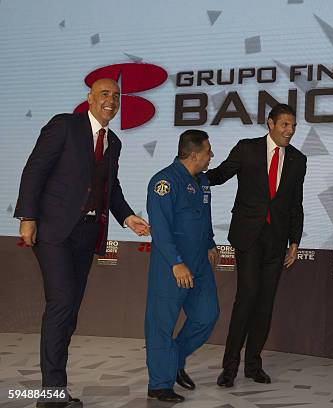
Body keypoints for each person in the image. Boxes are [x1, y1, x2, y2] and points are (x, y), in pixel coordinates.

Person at [14, 78, 150, 408]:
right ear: (89, 98)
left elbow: (110, 188)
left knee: (69, 310)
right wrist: (28, 217)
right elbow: (35, 170)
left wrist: (128, 217)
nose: (111, 100)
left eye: (116, 96)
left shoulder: (113, 142)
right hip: (55, 232)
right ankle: (51, 393)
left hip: (88, 233)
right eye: (105, 94)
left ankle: (56, 386)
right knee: (61, 304)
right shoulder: (64, 126)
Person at [207, 103, 307, 387]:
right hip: (247, 236)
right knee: (247, 297)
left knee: (265, 303)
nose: (290, 130)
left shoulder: (298, 160)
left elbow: (295, 205)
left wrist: (295, 241)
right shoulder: (247, 148)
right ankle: (229, 367)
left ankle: (253, 365)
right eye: (285, 125)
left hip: (276, 240)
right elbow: (220, 174)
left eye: (294, 126)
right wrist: (192, 171)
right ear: (271, 124)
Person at [145, 129, 220, 403]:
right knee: (160, 325)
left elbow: (205, 217)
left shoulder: (204, 182)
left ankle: (172, 359)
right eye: (208, 151)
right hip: (171, 266)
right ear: (194, 154)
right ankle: (159, 384)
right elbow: (161, 230)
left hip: (199, 263)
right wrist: (176, 263)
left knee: (207, 315)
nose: (211, 156)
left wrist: (211, 243)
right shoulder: (164, 181)